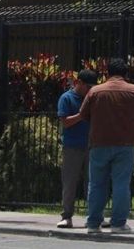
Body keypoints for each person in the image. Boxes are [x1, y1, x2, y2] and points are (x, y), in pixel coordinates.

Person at [65, 57, 134, 235]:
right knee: (121, 184)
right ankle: (118, 223)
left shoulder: (95, 91)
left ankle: (93, 223)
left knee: (96, 184)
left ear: (107, 72)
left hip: (99, 142)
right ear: (125, 73)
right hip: (126, 143)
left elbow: (83, 114)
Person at [55, 69, 99, 228]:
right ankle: (67, 216)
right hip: (72, 146)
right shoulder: (66, 98)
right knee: (70, 182)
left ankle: (93, 216)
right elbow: (65, 122)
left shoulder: (93, 99)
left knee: (93, 183)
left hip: (91, 146)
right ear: (78, 83)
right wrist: (82, 114)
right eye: (88, 87)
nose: (90, 90)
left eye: (93, 87)